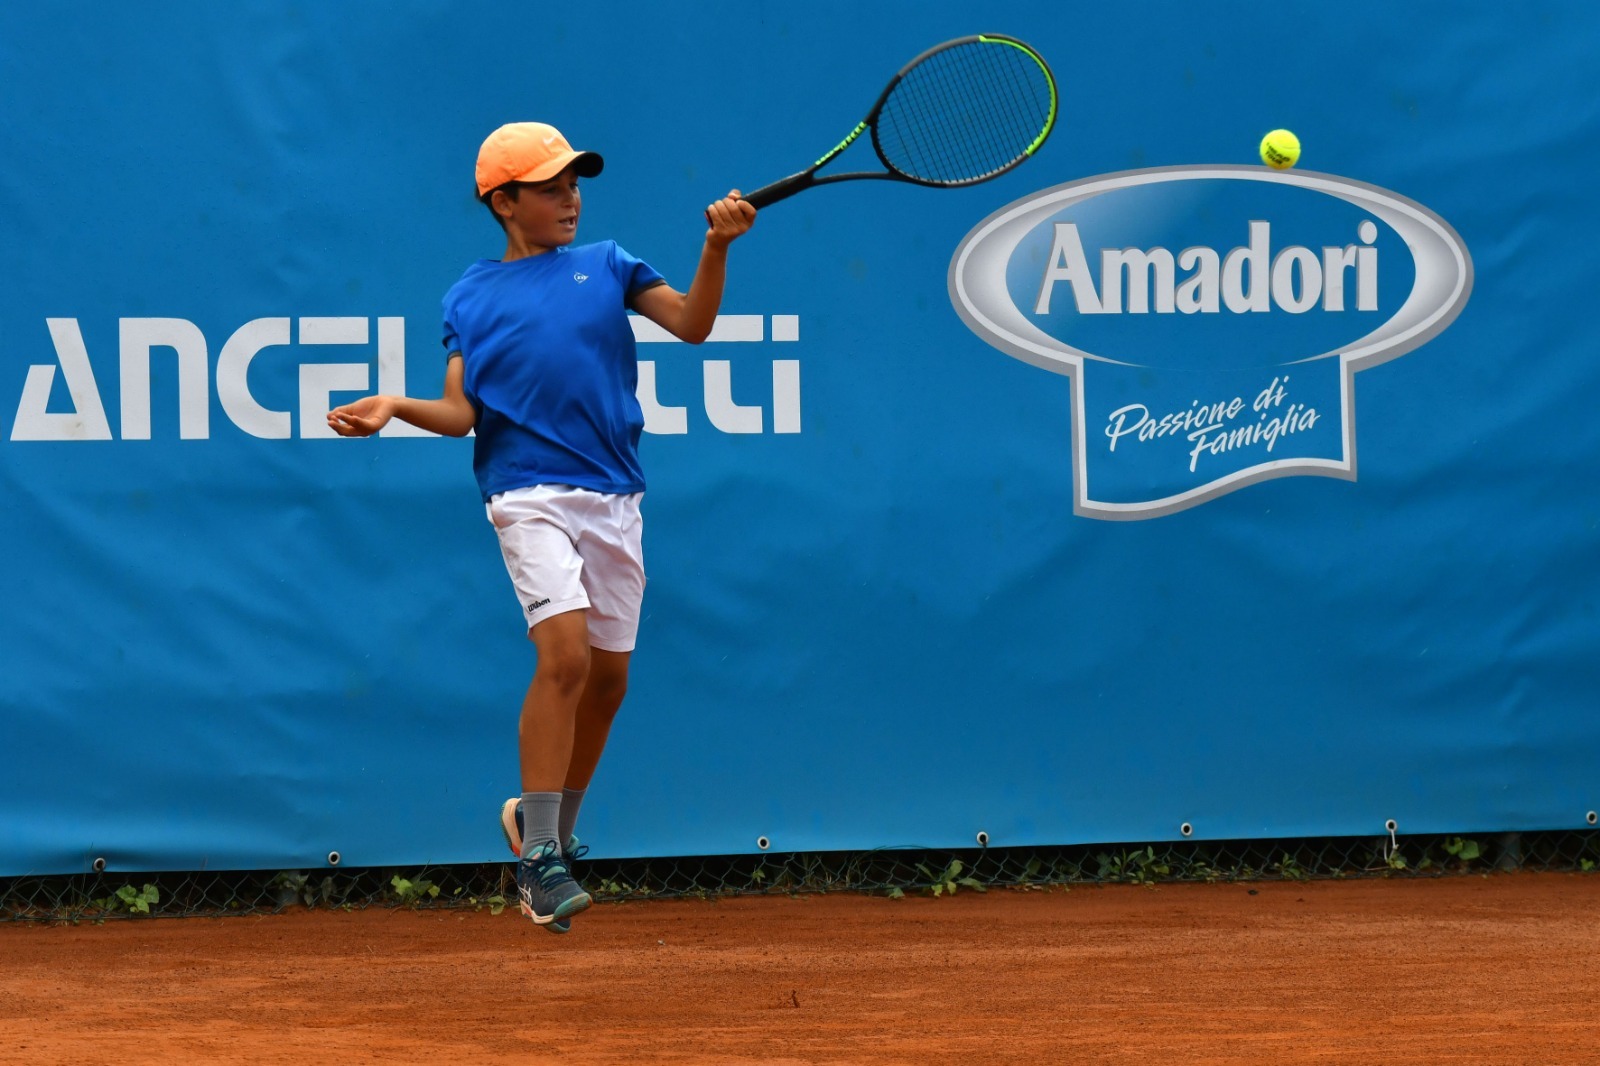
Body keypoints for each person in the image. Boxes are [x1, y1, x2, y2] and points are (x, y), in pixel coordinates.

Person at [328, 121, 756, 932]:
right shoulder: (470, 295)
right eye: (551, 186)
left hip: (614, 498)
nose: (570, 198)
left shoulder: (609, 265)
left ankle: (542, 826)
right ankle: (540, 864)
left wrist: (717, 248)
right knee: (561, 652)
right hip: (524, 493)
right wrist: (394, 405)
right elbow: (459, 415)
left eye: (574, 184)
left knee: (608, 681)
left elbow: (694, 324)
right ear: (503, 201)